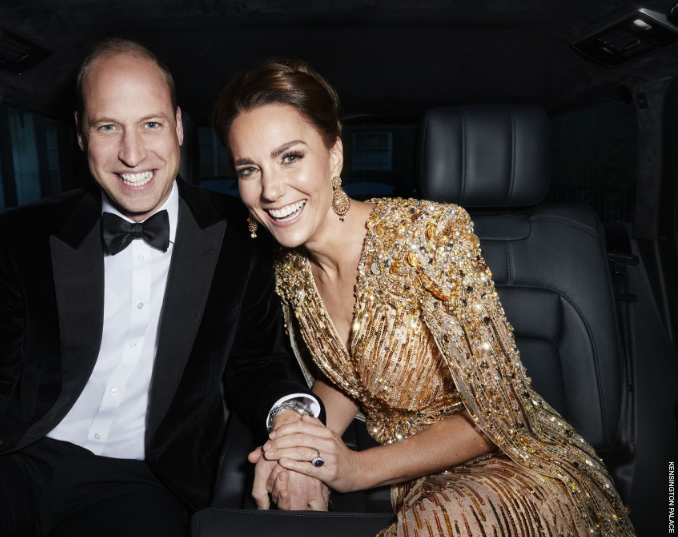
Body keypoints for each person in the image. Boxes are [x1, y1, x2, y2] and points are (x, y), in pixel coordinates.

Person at [0, 40, 328, 537]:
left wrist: (293, 429)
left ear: (176, 127)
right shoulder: (21, 236)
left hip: (148, 480)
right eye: (108, 127)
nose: (132, 155)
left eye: (150, 124)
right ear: (82, 137)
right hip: (14, 456)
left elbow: (258, 363)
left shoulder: (244, 238)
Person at [211, 58, 638, 536]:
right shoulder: (286, 268)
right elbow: (349, 379)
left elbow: (501, 414)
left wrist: (355, 470)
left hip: (513, 465)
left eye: (290, 156)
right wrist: (294, 450)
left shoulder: (429, 236)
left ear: (334, 156)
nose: (270, 189)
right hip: (412, 479)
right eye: (250, 168)